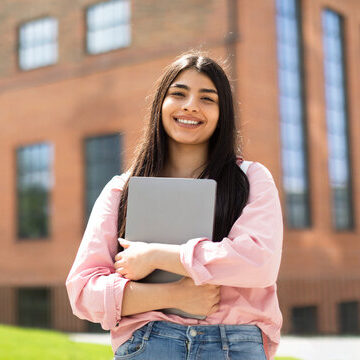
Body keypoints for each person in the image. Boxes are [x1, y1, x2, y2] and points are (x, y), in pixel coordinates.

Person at [66, 51, 283, 360]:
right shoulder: (121, 189)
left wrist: (157, 255)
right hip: (148, 342)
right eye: (178, 94)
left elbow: (259, 262)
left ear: (223, 114)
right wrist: (172, 294)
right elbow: (83, 292)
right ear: (160, 105)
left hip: (233, 345)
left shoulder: (251, 179)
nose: (191, 105)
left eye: (207, 99)